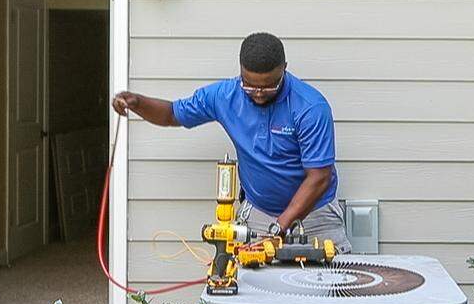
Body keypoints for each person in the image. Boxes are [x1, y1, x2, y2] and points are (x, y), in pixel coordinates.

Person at [112, 32, 351, 252]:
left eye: (269, 86)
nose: (258, 92)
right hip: (259, 214)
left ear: (284, 69)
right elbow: (172, 114)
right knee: (254, 290)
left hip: (317, 216)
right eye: (250, 85)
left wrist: (280, 227)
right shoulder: (224, 96)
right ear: (240, 71)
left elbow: (319, 177)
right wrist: (137, 103)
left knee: (331, 290)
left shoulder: (310, 107)